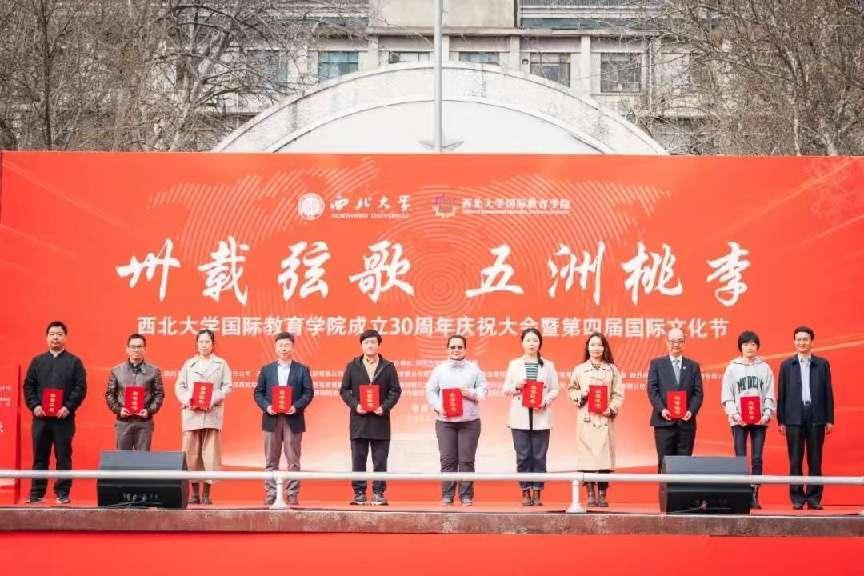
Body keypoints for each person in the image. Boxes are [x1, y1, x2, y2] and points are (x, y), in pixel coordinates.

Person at [23, 321, 87, 505]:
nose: (55, 338)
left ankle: (62, 493)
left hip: (63, 419)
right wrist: (35, 405)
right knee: (40, 456)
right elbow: (28, 386)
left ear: (65, 337)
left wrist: (68, 407)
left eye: (59, 334)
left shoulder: (74, 362)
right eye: (52, 334)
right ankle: (36, 493)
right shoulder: (37, 361)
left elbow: (80, 388)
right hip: (41, 418)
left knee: (63, 457)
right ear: (46, 338)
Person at [339, 329, 402, 506]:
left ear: (378, 345)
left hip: (380, 420)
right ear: (362, 345)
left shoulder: (388, 367)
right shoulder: (352, 366)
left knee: (380, 460)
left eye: (373, 342)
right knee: (358, 459)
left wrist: (384, 407)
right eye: (366, 342)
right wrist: (355, 405)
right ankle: (359, 493)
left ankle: (378, 493)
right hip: (359, 420)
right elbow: (344, 390)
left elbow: (395, 391)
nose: (370, 345)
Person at [425, 334, 488, 506]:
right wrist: (439, 407)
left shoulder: (474, 369)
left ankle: (466, 496)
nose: (456, 350)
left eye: (459, 347)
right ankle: (447, 495)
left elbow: (484, 391)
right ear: (447, 349)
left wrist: (471, 393)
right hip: (445, 422)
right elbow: (430, 390)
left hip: (469, 421)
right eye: (452, 347)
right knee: (447, 460)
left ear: (465, 349)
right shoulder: (439, 369)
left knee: (466, 460)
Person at [253, 332, 314, 506]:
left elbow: (308, 392)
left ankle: (292, 494)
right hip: (271, 419)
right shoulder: (267, 370)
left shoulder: (302, 369)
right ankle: (271, 494)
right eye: (280, 345)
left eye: (287, 345)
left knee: (293, 460)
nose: (284, 348)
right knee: (270, 460)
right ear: (275, 347)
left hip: (293, 419)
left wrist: (296, 406)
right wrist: (267, 407)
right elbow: (258, 393)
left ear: (293, 347)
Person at [777, 326, 835, 510]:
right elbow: (781, 394)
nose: (802, 343)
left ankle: (814, 497)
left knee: (815, 459)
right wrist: (781, 420)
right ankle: (797, 497)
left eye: (805, 339)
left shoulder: (822, 364)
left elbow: (828, 392)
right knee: (795, 459)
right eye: (798, 339)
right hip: (793, 417)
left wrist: (830, 419)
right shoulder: (787, 365)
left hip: (816, 415)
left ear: (811, 342)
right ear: (794, 342)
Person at [502, 327, 559, 507]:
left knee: (539, 456)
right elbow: (505, 389)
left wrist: (546, 400)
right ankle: (525, 490)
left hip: (541, 415)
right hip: (520, 416)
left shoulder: (548, 365)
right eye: (528, 340)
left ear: (540, 343)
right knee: (523, 455)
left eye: (535, 340)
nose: (531, 343)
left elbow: (555, 389)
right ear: (522, 343)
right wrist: (516, 386)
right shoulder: (514, 364)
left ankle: (537, 491)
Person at [174, 329, 232, 505]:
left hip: (211, 413)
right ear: (197, 344)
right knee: (191, 454)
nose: (204, 345)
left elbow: (227, 386)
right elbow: (179, 386)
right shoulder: (189, 364)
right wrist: (189, 399)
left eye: (207, 342)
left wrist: (212, 399)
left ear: (213, 344)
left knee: (210, 454)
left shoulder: (221, 364)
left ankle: (207, 493)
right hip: (192, 414)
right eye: (201, 342)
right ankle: (194, 494)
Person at [567, 332, 624, 508]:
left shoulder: (612, 369)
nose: (596, 348)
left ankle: (602, 493)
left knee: (605, 457)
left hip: (604, 418)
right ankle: (590, 492)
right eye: (592, 345)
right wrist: (581, 394)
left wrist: (611, 408)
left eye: (599, 345)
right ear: (587, 347)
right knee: (587, 456)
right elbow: (571, 389)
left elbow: (618, 393)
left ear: (604, 347)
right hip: (586, 418)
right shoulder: (579, 369)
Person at [720, 330, 775, 509]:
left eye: (752, 344)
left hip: (760, 421)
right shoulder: (732, 368)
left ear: (757, 346)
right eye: (745, 344)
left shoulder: (764, 368)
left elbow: (769, 393)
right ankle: (741, 495)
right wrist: (736, 415)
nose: (749, 347)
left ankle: (754, 494)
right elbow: (727, 395)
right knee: (740, 458)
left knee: (757, 458)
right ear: (740, 347)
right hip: (739, 421)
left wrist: (766, 415)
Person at [646, 328, 704, 472]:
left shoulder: (693, 366)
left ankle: (681, 488)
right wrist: (662, 409)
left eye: (679, 341)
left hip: (686, 424)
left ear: (684, 343)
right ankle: (664, 488)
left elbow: (698, 393)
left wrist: (691, 411)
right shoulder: (657, 364)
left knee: (684, 465)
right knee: (665, 464)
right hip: (664, 423)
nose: (676, 344)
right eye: (672, 341)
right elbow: (652, 390)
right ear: (666, 342)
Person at [104, 333, 165, 451]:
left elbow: (159, 394)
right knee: (122, 459)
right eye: (133, 347)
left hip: (144, 422)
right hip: (123, 421)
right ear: (127, 349)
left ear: (145, 349)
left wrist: (149, 411)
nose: (136, 350)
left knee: (142, 459)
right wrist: (119, 410)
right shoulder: (116, 370)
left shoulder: (154, 371)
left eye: (139, 346)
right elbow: (110, 394)